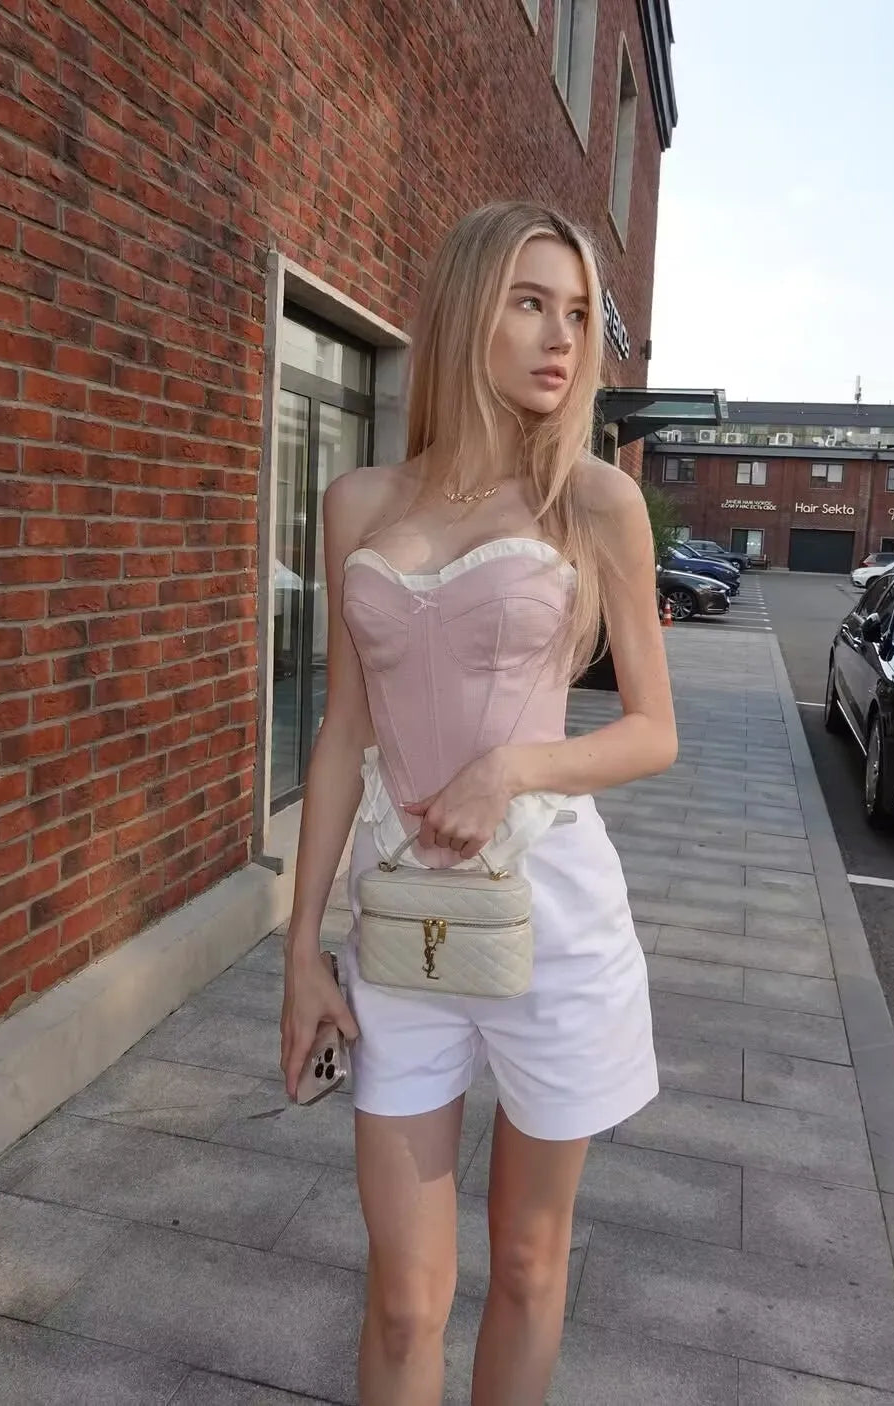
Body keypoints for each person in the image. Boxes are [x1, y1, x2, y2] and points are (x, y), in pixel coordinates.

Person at [280, 201, 678, 1406]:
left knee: (525, 1256)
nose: (562, 337)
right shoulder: (360, 503)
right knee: (404, 1294)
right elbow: (343, 733)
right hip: (401, 927)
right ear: (465, 312)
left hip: (553, 916)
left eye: (575, 313)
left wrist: (510, 766)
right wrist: (302, 952)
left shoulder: (597, 503)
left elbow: (653, 731)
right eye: (529, 302)